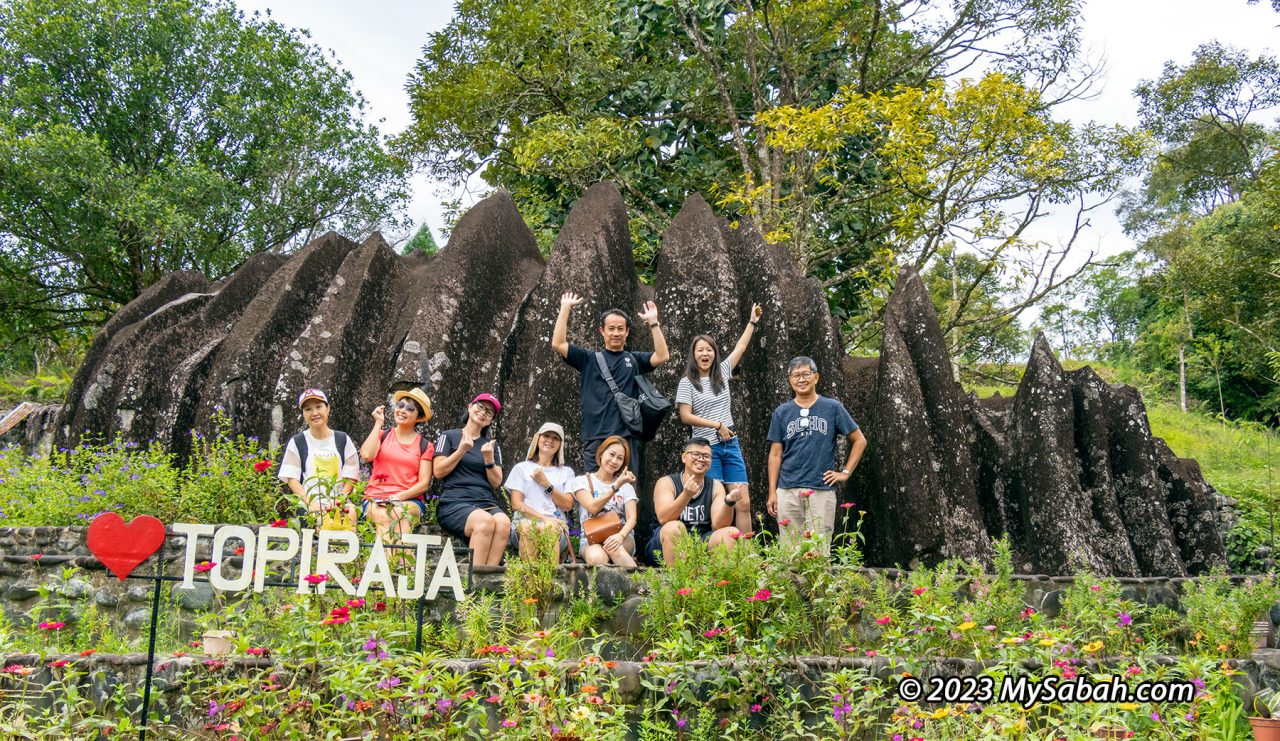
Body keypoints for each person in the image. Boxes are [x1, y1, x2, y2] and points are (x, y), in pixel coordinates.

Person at [551, 291, 669, 476]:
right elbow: (558, 343)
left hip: (626, 435)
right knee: (593, 488)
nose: (616, 333)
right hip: (596, 434)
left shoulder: (634, 359)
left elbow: (662, 356)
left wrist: (653, 322)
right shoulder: (588, 359)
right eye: (611, 328)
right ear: (602, 331)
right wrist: (565, 308)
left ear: (627, 332)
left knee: (626, 488)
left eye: (621, 329)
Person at [766, 357, 867, 554]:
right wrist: (772, 492)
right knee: (790, 552)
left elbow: (860, 440)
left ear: (816, 377)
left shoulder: (832, 407)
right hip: (788, 489)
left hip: (820, 488)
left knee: (818, 551)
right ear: (790, 380)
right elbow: (775, 454)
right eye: (796, 375)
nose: (801, 379)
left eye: (806, 374)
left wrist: (845, 472)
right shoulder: (782, 412)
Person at [676, 303, 763, 532]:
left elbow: (741, 347)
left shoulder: (723, 372)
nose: (705, 354)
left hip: (730, 444)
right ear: (693, 355)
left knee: (743, 501)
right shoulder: (687, 382)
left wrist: (752, 321)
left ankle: (745, 554)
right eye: (700, 350)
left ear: (715, 354)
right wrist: (717, 424)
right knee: (716, 502)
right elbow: (685, 416)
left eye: (709, 350)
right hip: (706, 449)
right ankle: (715, 550)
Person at [433, 394, 508, 567]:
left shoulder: (491, 445)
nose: (483, 413)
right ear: (470, 407)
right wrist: (461, 451)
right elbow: (438, 471)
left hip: (484, 500)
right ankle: (474, 580)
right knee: (484, 521)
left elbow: (496, 482)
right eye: (480, 407)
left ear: (490, 421)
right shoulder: (448, 436)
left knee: (503, 522)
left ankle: (487, 580)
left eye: (489, 412)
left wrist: (489, 459)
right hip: (454, 502)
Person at [647, 438, 741, 566]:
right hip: (664, 545)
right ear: (684, 457)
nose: (701, 459)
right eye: (696, 454)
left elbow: (719, 525)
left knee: (731, 533)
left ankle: (720, 584)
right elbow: (664, 518)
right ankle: (678, 584)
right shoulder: (666, 482)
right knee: (674, 528)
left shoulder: (716, 486)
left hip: (701, 540)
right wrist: (686, 495)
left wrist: (729, 502)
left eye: (706, 456)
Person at [359, 387, 435, 542]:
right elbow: (367, 455)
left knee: (399, 512)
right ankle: (400, 564)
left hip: (409, 500)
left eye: (410, 408)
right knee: (382, 517)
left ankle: (393, 564)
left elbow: (424, 484)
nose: (402, 410)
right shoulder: (383, 435)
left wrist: (399, 497)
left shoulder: (425, 445)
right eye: (400, 405)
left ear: (418, 417)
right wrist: (378, 423)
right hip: (375, 498)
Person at [278, 388, 360, 524]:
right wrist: (311, 502)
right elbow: (292, 478)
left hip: (339, 501)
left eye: (318, 407)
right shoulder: (298, 441)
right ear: (303, 414)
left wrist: (339, 500)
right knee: (323, 524)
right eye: (308, 409)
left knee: (349, 517)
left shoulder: (342, 439)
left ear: (328, 409)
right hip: (310, 503)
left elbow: (351, 476)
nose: (314, 413)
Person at [506, 422, 576, 560]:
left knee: (548, 529)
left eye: (555, 438)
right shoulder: (521, 468)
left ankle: (548, 580)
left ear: (560, 445)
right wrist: (544, 518)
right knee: (527, 526)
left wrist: (545, 484)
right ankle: (529, 579)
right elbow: (516, 504)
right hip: (524, 524)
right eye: (546, 435)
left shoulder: (566, 472)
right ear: (538, 438)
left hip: (556, 529)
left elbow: (567, 505)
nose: (550, 440)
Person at [572, 435, 639, 568]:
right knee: (596, 558)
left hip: (622, 536)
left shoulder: (626, 487)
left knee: (614, 547)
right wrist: (616, 486)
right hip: (591, 540)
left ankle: (638, 587)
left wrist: (620, 536)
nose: (614, 461)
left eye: (620, 458)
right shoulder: (582, 481)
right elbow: (592, 507)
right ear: (601, 454)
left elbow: (632, 518)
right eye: (612, 454)